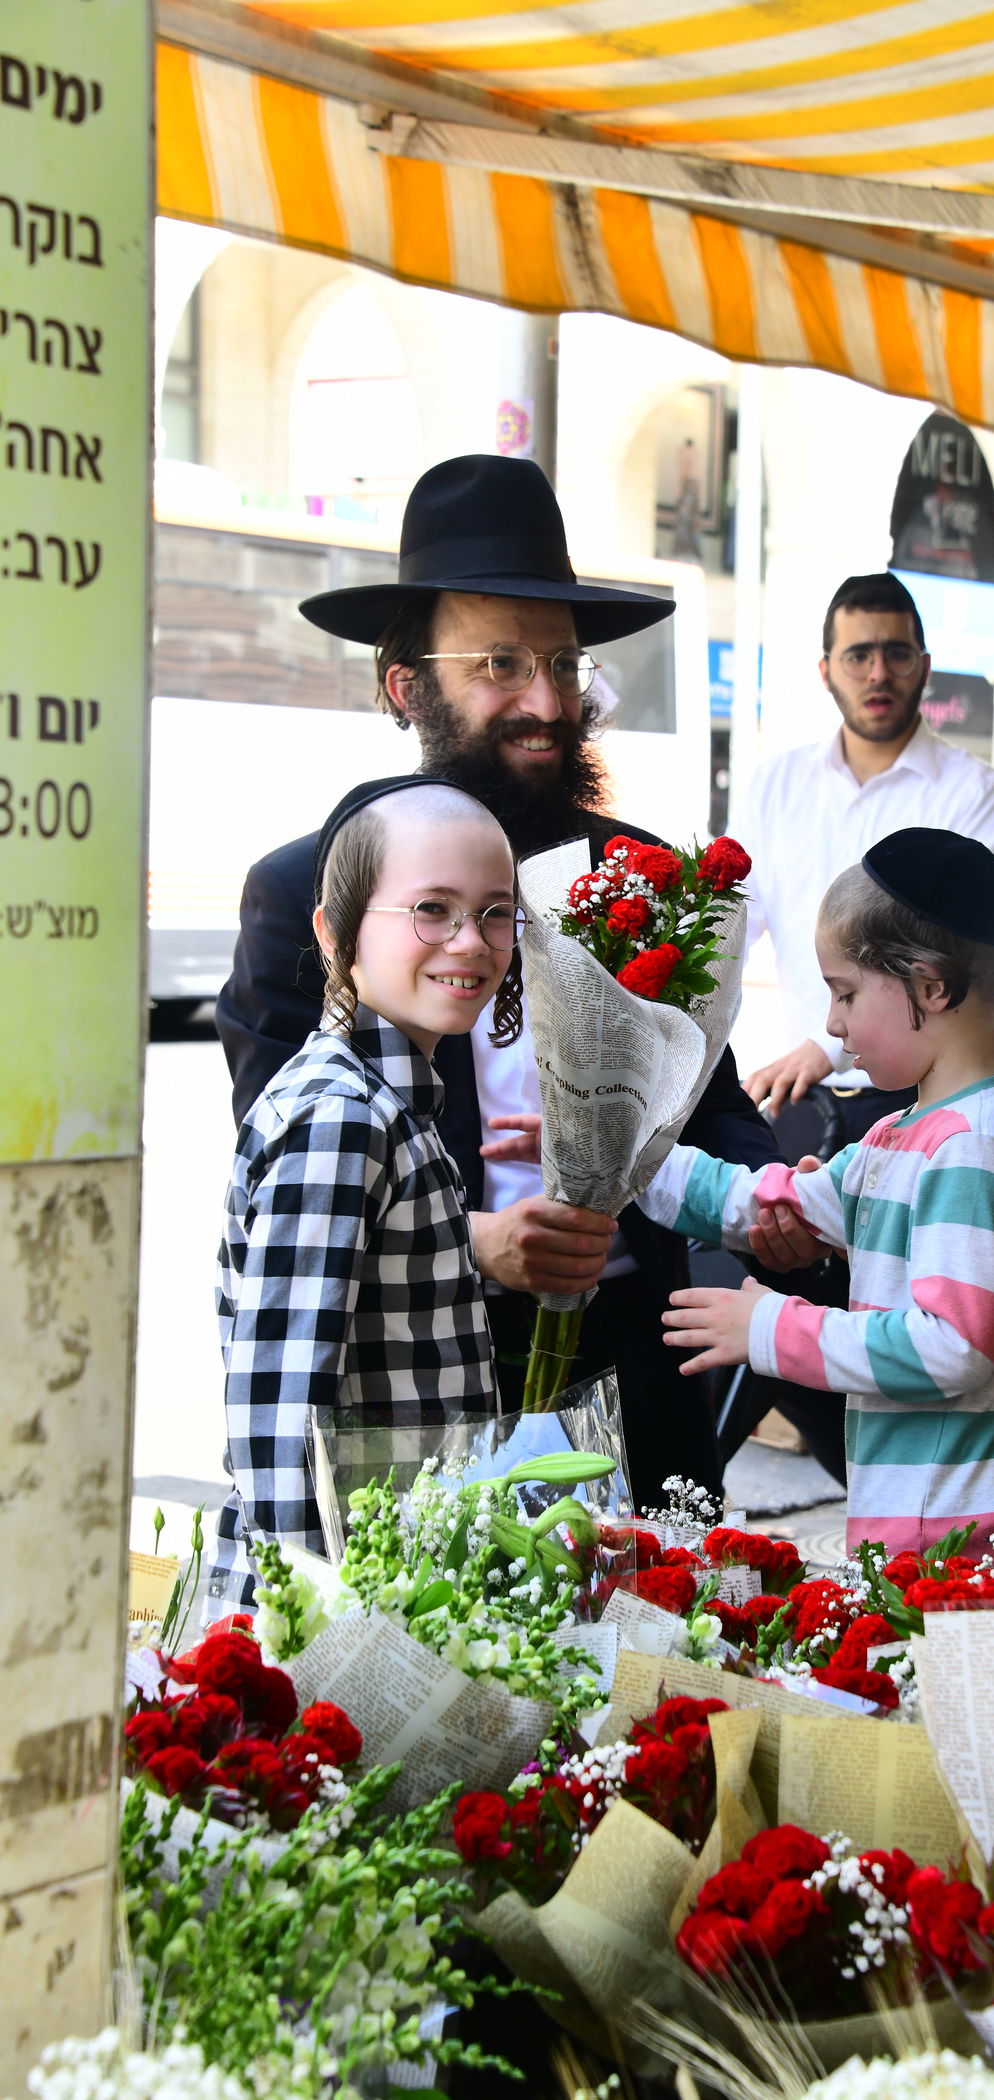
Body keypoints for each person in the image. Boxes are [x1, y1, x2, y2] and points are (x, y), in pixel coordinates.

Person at [215, 454, 815, 1511]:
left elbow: (708, 1105)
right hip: (421, 1374)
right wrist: (476, 1242)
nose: (545, 702)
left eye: (563, 664)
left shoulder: (648, 881)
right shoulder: (299, 894)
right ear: (406, 687)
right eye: (499, 664)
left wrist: (762, 1199)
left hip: (635, 1363)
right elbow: (287, 1174)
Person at [638, 828, 994, 1558]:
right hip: (926, 1523)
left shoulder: (973, 1147)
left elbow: (950, 1346)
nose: (831, 1023)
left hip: (978, 1537)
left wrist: (770, 1330)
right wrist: (616, 1159)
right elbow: (765, 1202)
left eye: (845, 992)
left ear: (930, 986)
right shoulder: (898, 1138)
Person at [719, 569, 994, 1478]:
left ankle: (893, 1504)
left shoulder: (973, 791)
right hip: (798, 1109)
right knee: (733, 1260)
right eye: (860, 653)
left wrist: (824, 1037)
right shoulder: (772, 787)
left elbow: (950, 964)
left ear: (925, 664)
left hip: (929, 1113)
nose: (879, 670)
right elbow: (724, 950)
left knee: (906, 1340)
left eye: (896, 651)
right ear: (826, 669)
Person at [212, 779, 516, 1601]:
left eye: (496, 912)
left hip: (393, 1580)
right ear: (335, 930)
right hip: (331, 1612)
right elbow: (279, 1417)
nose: (471, 942)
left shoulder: (395, 1100)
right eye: (431, 909)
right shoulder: (342, 1116)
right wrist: (313, 1626)